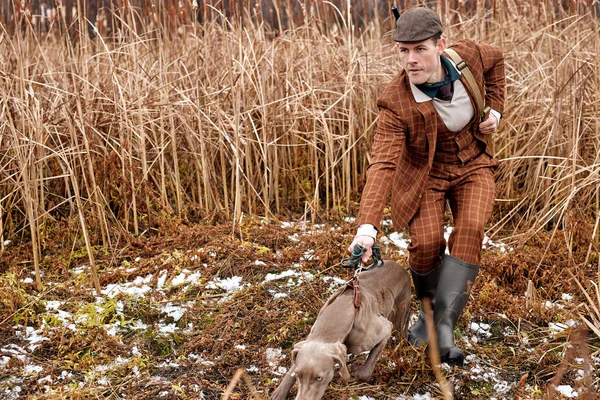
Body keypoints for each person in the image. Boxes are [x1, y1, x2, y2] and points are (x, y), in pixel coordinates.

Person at [347, 6, 505, 365]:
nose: (411, 59)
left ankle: (443, 325)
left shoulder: (470, 57)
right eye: (403, 50)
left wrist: (494, 109)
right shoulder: (395, 101)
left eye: (419, 49)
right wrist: (367, 229)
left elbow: (498, 62)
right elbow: (383, 165)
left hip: (472, 164)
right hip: (424, 177)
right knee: (426, 244)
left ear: (441, 45)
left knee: (470, 228)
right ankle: (428, 312)